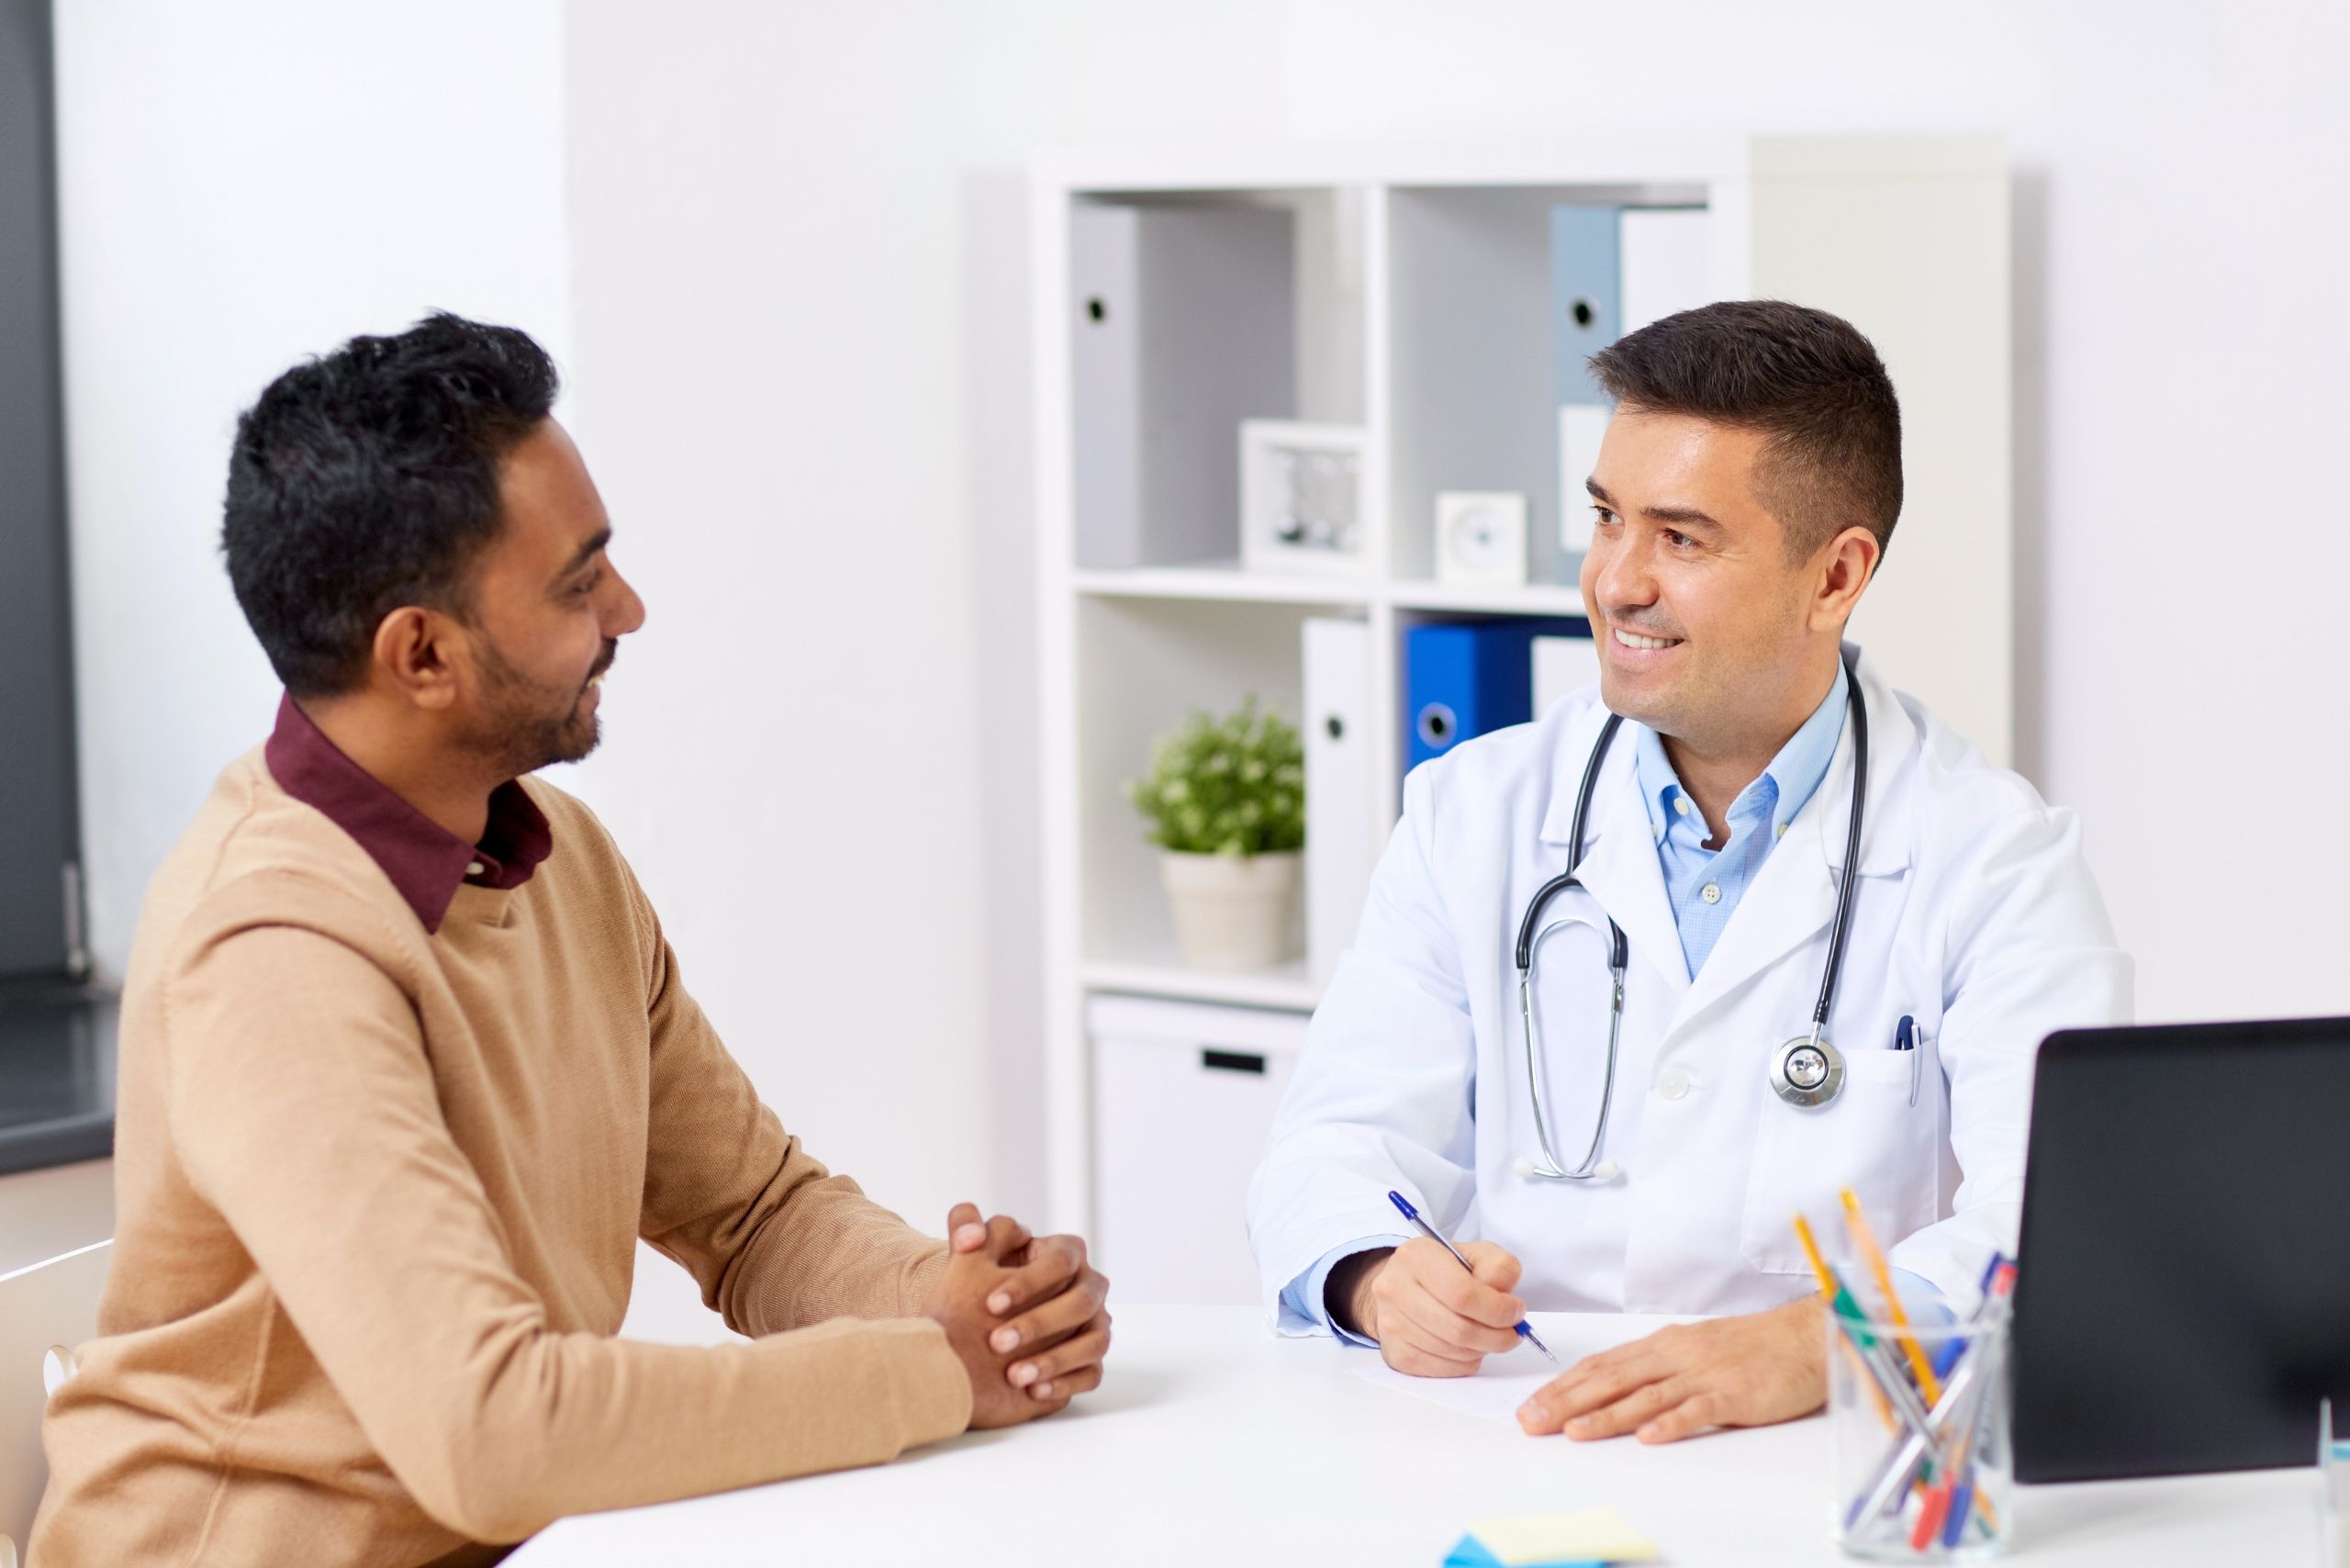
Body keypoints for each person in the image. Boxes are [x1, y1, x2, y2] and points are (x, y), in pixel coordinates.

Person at [31, 315, 1109, 1568]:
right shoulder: (271, 949)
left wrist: (960, 1304)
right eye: (578, 581)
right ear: (420, 654)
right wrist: (931, 1373)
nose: (629, 609)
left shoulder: (556, 855)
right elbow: (493, 1433)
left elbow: (753, 1212)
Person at [1247, 300, 2130, 1446]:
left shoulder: (1992, 859)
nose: (1616, 582)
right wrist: (1375, 1273)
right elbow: (1331, 1142)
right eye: (1607, 518)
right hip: (1521, 1428)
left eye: (1680, 538)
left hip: (1823, 1455)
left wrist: (1819, 1340)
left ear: (1835, 576)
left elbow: (2055, 1230)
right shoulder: (1472, 811)